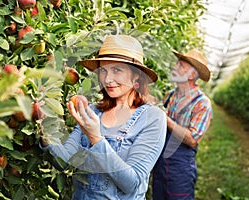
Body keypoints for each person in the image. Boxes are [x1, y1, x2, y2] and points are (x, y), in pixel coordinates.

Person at [40, 35, 167, 199]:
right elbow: (65, 161)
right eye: (103, 71)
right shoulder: (92, 111)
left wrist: (95, 138)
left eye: (117, 70)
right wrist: (44, 130)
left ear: (136, 75)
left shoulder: (153, 118)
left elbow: (132, 183)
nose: (107, 79)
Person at [152, 49, 213, 200]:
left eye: (180, 66)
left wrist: (165, 120)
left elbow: (192, 139)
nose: (174, 68)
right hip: (160, 164)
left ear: (192, 75)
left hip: (180, 169)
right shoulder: (170, 96)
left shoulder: (202, 103)